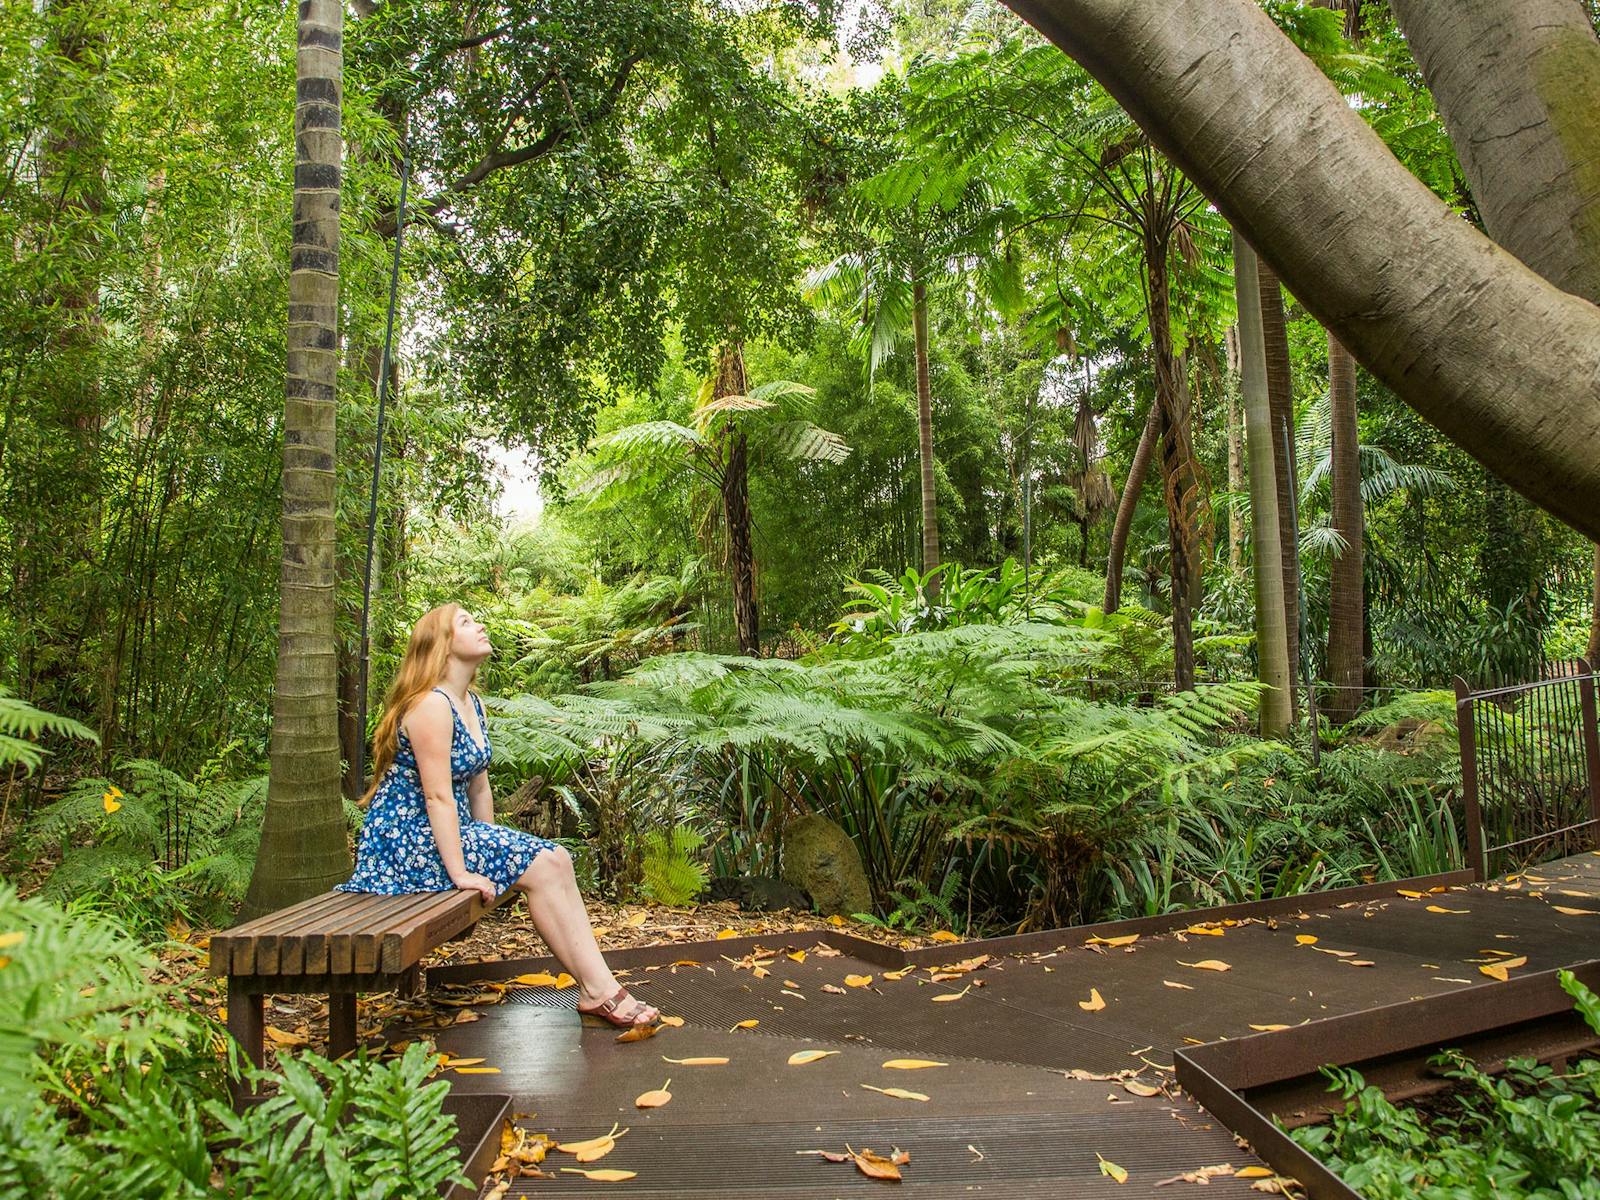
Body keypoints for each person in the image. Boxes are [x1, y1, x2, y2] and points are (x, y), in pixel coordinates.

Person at [339, 602, 659, 1028]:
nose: (480, 625)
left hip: (448, 834)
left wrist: (491, 848)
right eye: (466, 623)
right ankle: (599, 991)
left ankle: (594, 985)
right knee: (545, 866)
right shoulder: (430, 706)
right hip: (406, 843)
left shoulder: (471, 703)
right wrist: (463, 872)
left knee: (558, 859)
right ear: (443, 646)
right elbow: (437, 798)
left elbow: (479, 786)